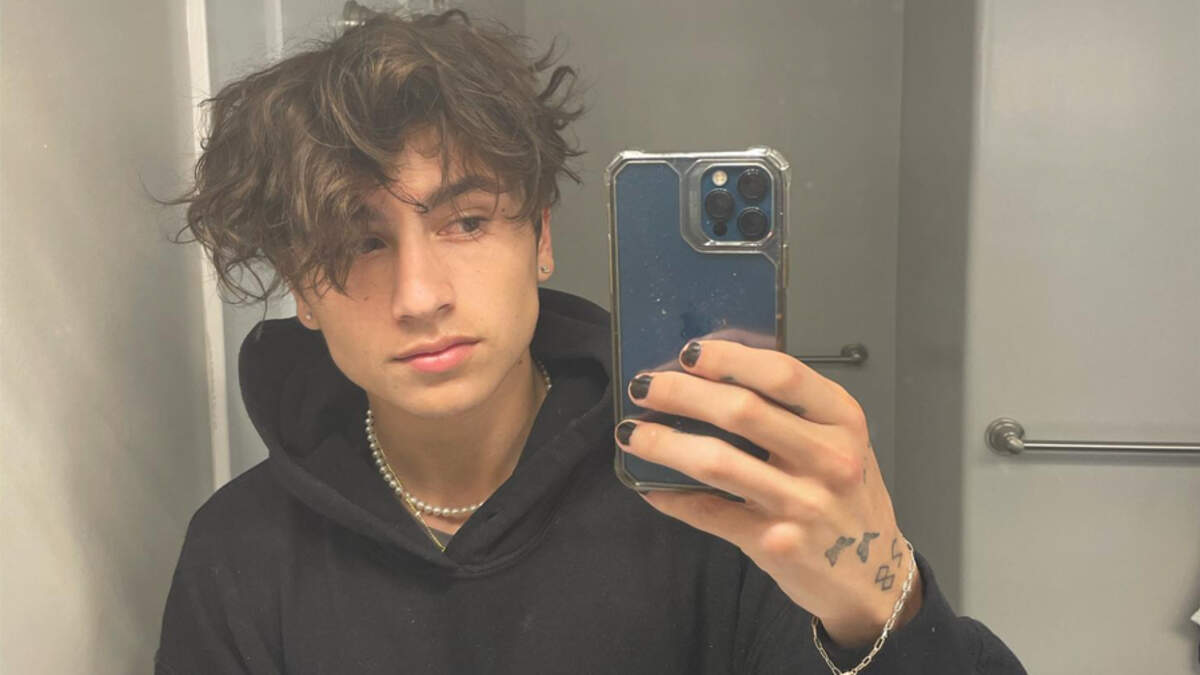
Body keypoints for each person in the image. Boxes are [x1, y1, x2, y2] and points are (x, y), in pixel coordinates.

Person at [156, 9, 1026, 674]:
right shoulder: (240, 552)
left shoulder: (714, 502)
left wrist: (884, 605)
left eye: (466, 220)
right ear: (301, 285)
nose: (419, 296)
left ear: (539, 236)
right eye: (358, 241)